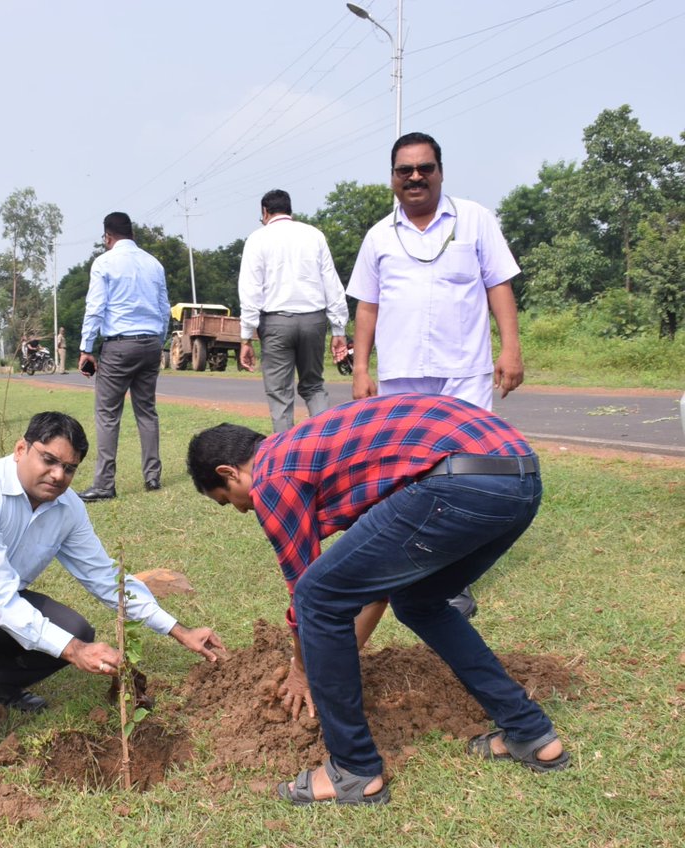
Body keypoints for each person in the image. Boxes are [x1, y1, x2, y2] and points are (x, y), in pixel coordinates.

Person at [185, 394, 571, 806]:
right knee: (419, 600)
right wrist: (336, 656)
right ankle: (530, 733)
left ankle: (353, 769)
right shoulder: (319, 450)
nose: (241, 510)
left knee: (316, 596)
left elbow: (309, 596)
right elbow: (376, 586)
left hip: (461, 482)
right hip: (519, 478)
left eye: (228, 500)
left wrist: (304, 670)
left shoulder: (272, 476)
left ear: (229, 471)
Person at [0, 411, 227, 771]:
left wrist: (179, 630)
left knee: (76, 629)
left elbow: (104, 577)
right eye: (49, 460)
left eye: (69, 468)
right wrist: (75, 651)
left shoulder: (67, 508)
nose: (57, 475)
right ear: (21, 449)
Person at [347, 131, 524, 619]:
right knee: (410, 477)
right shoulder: (379, 235)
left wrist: (510, 348)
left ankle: (455, 580)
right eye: (405, 171)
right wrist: (362, 370)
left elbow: (499, 286)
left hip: (465, 372)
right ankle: (411, 567)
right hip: (402, 377)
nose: (415, 177)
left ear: (440, 171)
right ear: (393, 179)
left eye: (424, 168)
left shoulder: (475, 221)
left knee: (470, 477)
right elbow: (367, 305)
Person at [238, 189, 349, 434]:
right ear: (290, 211)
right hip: (313, 321)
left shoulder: (257, 239)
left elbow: (250, 291)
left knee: (280, 394)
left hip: (276, 323)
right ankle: (324, 446)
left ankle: (285, 456)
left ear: (265, 213)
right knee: (314, 386)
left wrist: (246, 337)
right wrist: (339, 328)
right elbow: (331, 282)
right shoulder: (314, 235)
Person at [78, 212, 171, 501]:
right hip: (150, 343)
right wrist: (159, 339)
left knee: (107, 414)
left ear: (107, 236)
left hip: (119, 345)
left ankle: (105, 484)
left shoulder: (104, 262)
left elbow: (95, 307)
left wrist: (86, 348)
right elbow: (164, 307)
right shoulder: (153, 263)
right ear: (132, 234)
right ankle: (152, 476)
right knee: (146, 410)